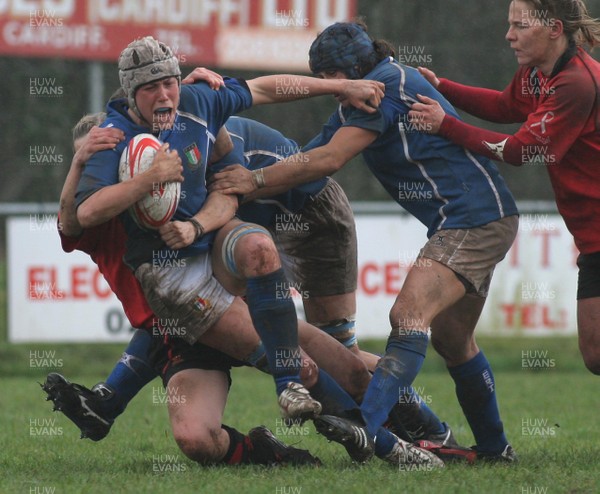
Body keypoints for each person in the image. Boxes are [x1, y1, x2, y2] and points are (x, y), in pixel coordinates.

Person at [212, 22, 520, 464]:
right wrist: (242, 190)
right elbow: (308, 166)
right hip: (478, 217)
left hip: (473, 218)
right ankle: (494, 448)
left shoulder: (386, 84)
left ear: (355, 70)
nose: (334, 92)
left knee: (407, 315)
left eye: (334, 80)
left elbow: (330, 158)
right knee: (454, 341)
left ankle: (369, 428)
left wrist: (252, 178)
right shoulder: (358, 100)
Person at [74, 36, 384, 428]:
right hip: (240, 217)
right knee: (285, 340)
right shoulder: (130, 138)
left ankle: (400, 407)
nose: (163, 94)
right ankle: (366, 417)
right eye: (149, 87)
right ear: (132, 95)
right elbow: (82, 214)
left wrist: (342, 87)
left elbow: (266, 89)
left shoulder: (200, 102)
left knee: (342, 351)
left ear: (179, 80)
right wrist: (152, 190)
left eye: (169, 83)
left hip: (310, 207)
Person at [45, 110, 323, 466]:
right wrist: (80, 163)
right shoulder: (93, 218)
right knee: (196, 440)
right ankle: (269, 453)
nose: (95, 173)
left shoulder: (170, 195)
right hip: (175, 338)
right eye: (87, 165)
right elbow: (69, 221)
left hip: (225, 311)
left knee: (312, 369)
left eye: (104, 159)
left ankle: (385, 425)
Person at [409, 0, 600, 377]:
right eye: (510, 24)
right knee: (595, 355)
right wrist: (442, 88)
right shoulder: (536, 73)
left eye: (520, 25)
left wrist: (444, 123)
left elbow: (518, 151)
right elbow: (504, 105)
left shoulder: (576, 83)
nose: (509, 35)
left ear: (554, 29)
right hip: (592, 235)